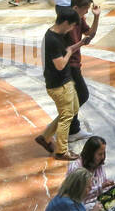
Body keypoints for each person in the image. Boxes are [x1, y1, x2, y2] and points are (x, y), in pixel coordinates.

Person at [32, 8, 85, 161]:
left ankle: (45, 137)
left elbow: (66, 50)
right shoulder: (52, 40)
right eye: (71, 26)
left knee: (72, 110)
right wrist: (69, 52)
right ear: (66, 22)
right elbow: (60, 65)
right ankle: (62, 151)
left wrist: (79, 44)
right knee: (67, 116)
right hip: (59, 85)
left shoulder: (57, 34)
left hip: (65, 82)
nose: (72, 29)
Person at [65, 0, 100, 138]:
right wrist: (81, 42)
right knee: (82, 94)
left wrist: (96, 17)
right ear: (75, 8)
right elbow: (69, 48)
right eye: (85, 9)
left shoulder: (79, 19)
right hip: (69, 64)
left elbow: (90, 34)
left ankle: (72, 127)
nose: (87, 12)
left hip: (75, 62)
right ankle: (67, 122)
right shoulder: (68, 23)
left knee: (75, 96)